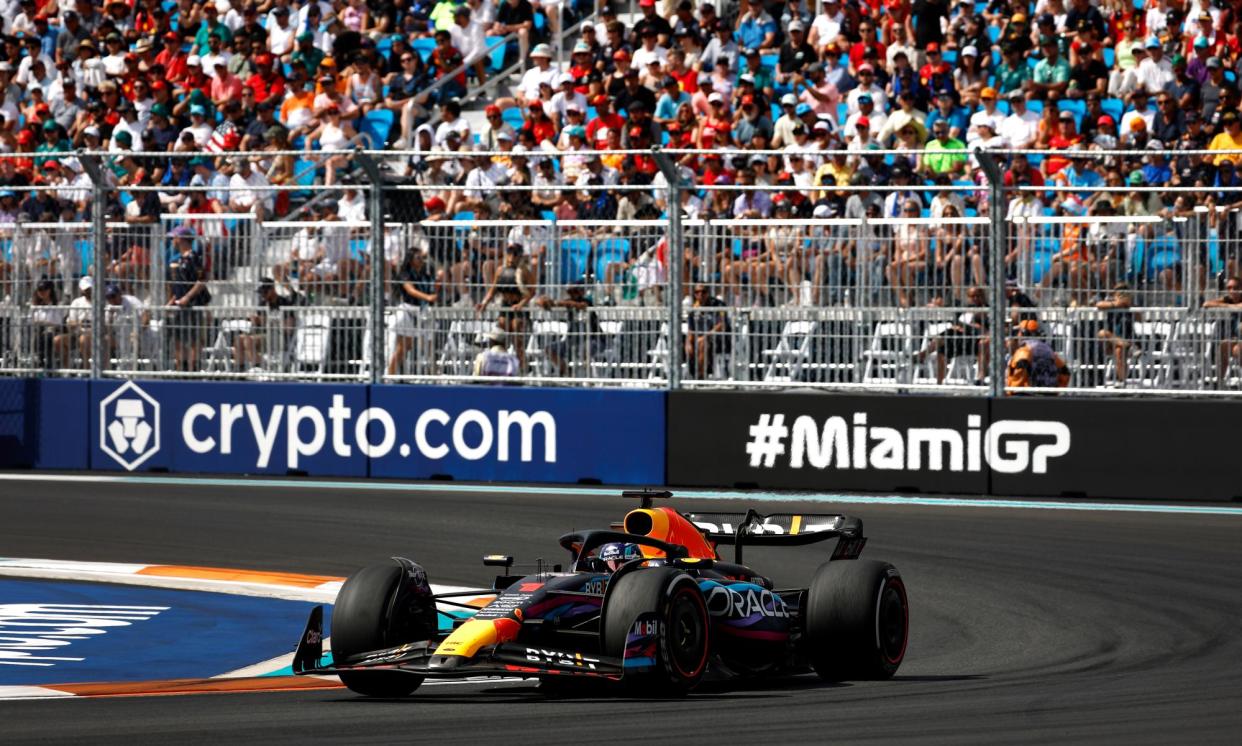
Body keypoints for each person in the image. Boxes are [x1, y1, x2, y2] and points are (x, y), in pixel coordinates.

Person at [477, 243, 535, 371]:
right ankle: (502, 367)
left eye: (515, 254)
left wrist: (521, 304)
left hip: (519, 307)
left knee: (517, 334)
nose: (511, 257)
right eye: (509, 253)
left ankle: (523, 369)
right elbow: (493, 289)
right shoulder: (500, 270)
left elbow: (532, 291)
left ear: (519, 256)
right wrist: (485, 302)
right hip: (505, 306)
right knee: (501, 331)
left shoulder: (525, 272)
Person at [916, 286, 989, 384]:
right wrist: (957, 327)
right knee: (943, 347)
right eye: (972, 296)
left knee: (947, 333)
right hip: (960, 339)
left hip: (974, 341)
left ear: (982, 296)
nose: (975, 298)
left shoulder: (986, 311)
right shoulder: (964, 309)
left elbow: (986, 330)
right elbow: (956, 323)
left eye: (977, 296)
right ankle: (939, 383)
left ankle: (922, 355)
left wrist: (969, 326)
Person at [389, 250, 442, 376]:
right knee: (404, 347)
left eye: (422, 258)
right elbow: (410, 290)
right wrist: (427, 297)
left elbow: (433, 289)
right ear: (411, 260)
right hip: (407, 310)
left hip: (422, 312)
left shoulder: (426, 275)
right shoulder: (405, 274)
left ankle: (434, 375)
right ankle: (389, 375)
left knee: (429, 347)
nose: (422, 260)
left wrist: (437, 287)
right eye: (418, 258)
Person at [535, 279, 602, 376]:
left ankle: (588, 379)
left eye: (575, 291)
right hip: (573, 340)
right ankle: (566, 372)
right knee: (549, 349)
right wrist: (544, 301)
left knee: (584, 349)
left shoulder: (587, 301)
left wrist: (562, 303)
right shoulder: (567, 302)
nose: (572, 294)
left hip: (595, 339)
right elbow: (548, 303)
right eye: (570, 292)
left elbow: (581, 305)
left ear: (582, 292)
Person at [235, 278, 302, 373]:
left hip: (280, 338)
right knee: (239, 339)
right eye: (261, 293)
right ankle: (239, 372)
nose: (262, 295)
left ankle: (259, 369)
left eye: (264, 292)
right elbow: (259, 325)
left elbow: (289, 328)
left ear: (272, 289)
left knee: (248, 341)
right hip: (265, 336)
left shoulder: (284, 303)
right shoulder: (263, 304)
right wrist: (256, 321)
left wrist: (268, 321)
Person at [167, 227, 210, 373]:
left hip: (192, 305)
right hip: (181, 306)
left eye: (175, 237)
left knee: (193, 340)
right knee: (178, 339)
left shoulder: (193, 257)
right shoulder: (178, 259)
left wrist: (187, 298)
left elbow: (202, 280)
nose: (173, 240)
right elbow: (179, 285)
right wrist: (173, 300)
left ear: (181, 239)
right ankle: (182, 370)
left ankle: (194, 370)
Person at [1006, 320, 1070, 390]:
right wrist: (1057, 389)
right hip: (1049, 394)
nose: (1017, 335)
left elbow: (1019, 373)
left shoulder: (1024, 351)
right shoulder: (1049, 350)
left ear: (1022, 333)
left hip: (1028, 395)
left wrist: (1011, 392)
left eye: (1018, 332)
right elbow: (1065, 372)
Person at [1203, 276, 1242, 387]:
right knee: (1224, 345)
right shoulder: (1228, 299)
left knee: (1237, 350)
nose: (1232, 291)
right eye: (1229, 288)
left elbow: (1240, 306)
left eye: (1235, 288)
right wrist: (1228, 305)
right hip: (1238, 338)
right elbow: (1206, 304)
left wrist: (1228, 306)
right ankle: (1219, 382)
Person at [685, 284, 730, 379]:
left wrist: (705, 337)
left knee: (702, 343)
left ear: (708, 293)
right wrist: (688, 343)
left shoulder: (719, 305)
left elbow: (722, 325)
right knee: (686, 345)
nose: (700, 294)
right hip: (699, 339)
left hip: (718, 339)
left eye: (703, 292)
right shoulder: (693, 307)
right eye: (697, 292)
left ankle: (700, 377)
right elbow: (691, 329)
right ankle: (688, 375)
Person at [1096, 283, 1135, 386]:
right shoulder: (1111, 303)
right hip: (1109, 343)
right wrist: (1116, 304)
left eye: (1124, 293)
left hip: (1128, 339)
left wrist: (1129, 306)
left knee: (1119, 350)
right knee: (1102, 333)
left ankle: (1122, 382)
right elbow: (1098, 305)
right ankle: (1126, 344)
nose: (1121, 295)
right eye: (1119, 293)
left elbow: (1140, 318)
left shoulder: (1131, 306)